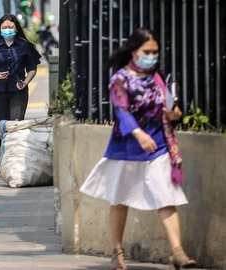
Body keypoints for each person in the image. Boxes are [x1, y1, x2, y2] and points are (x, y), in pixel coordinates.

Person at [79, 28, 196, 270]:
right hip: (127, 147)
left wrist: (174, 115)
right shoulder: (120, 79)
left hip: (158, 146)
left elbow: (172, 111)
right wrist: (138, 133)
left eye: (155, 52)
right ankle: (117, 251)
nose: (152, 56)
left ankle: (177, 251)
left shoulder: (159, 78)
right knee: (120, 201)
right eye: (147, 52)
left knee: (166, 196)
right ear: (134, 51)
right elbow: (121, 111)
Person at [0, 14, 41, 144]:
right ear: (0, 30)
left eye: (11, 27)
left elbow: (32, 68)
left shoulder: (24, 46)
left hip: (18, 91)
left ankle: (14, 157)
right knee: (2, 127)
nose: (8, 30)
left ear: (16, 29)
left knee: (16, 126)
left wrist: (25, 82)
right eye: (5, 27)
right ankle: (4, 156)